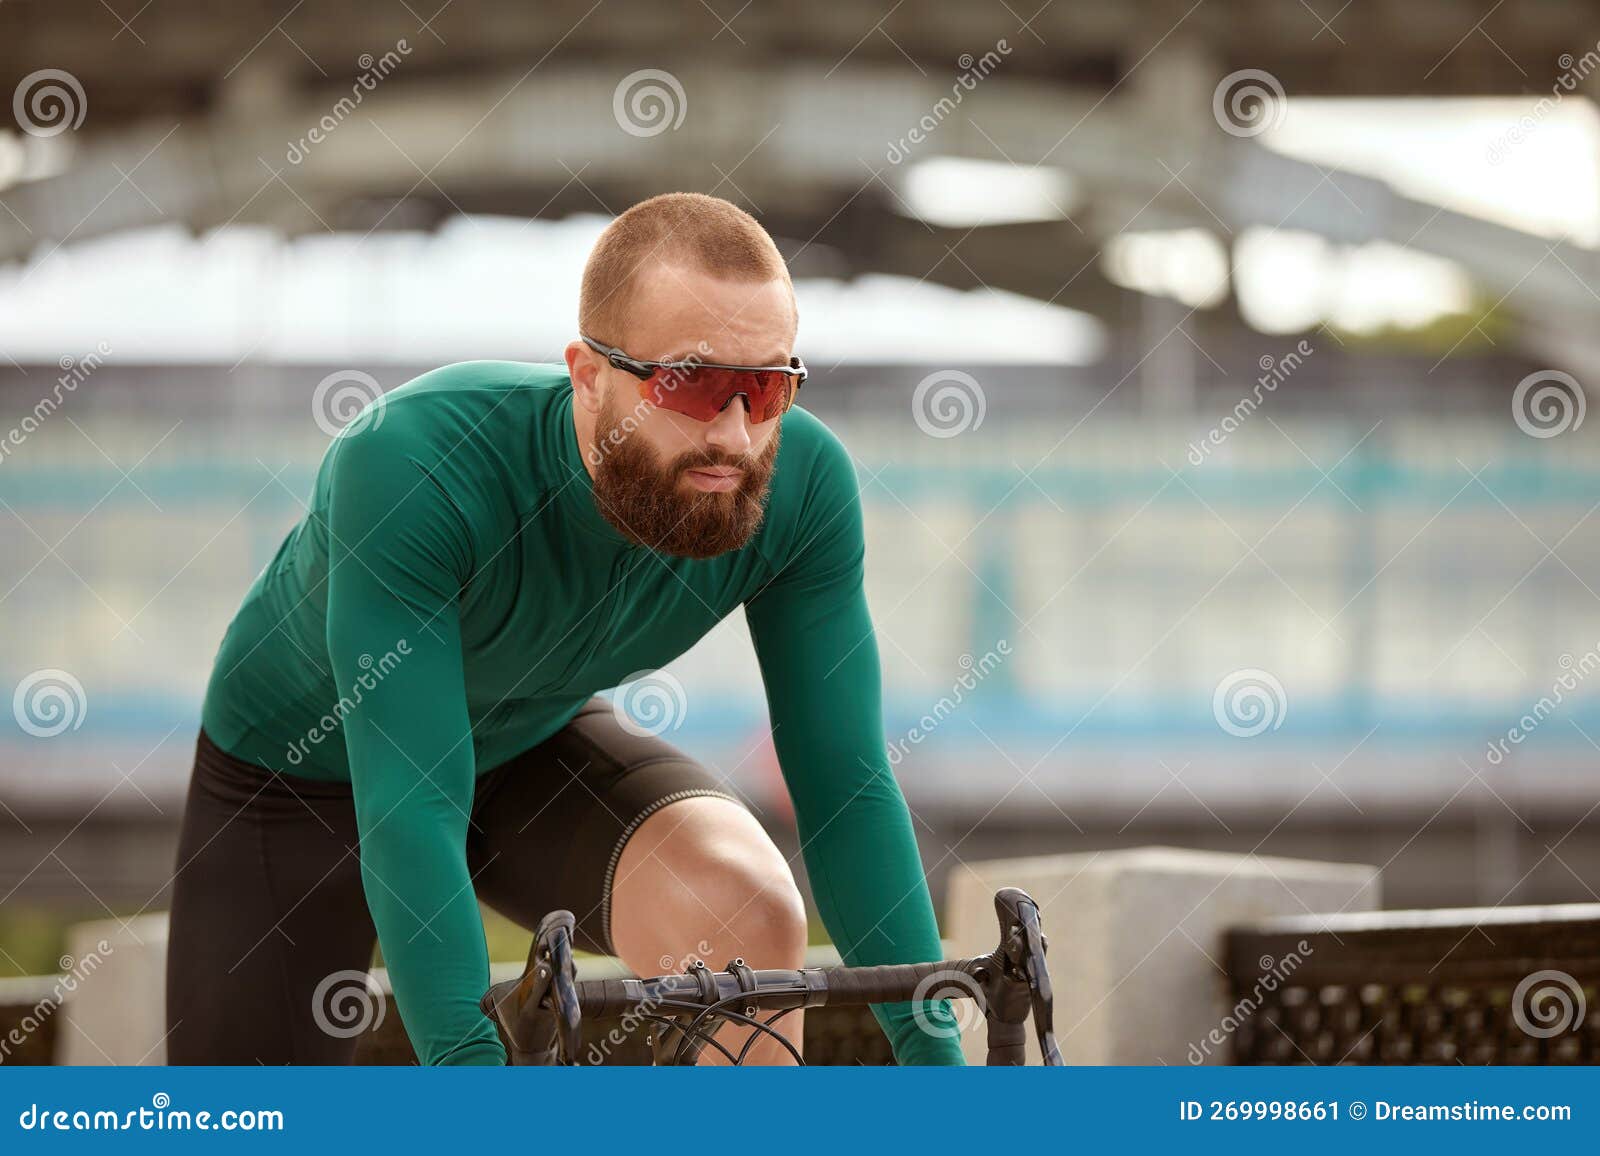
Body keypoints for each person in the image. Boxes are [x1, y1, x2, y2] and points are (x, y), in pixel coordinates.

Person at [164, 191, 962, 1066]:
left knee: (746, 913)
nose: (736, 433)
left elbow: (844, 788)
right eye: (691, 384)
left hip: (525, 740)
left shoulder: (799, 484)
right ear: (588, 376)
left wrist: (944, 1081)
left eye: (768, 386)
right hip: (298, 780)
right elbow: (411, 803)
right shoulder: (408, 462)